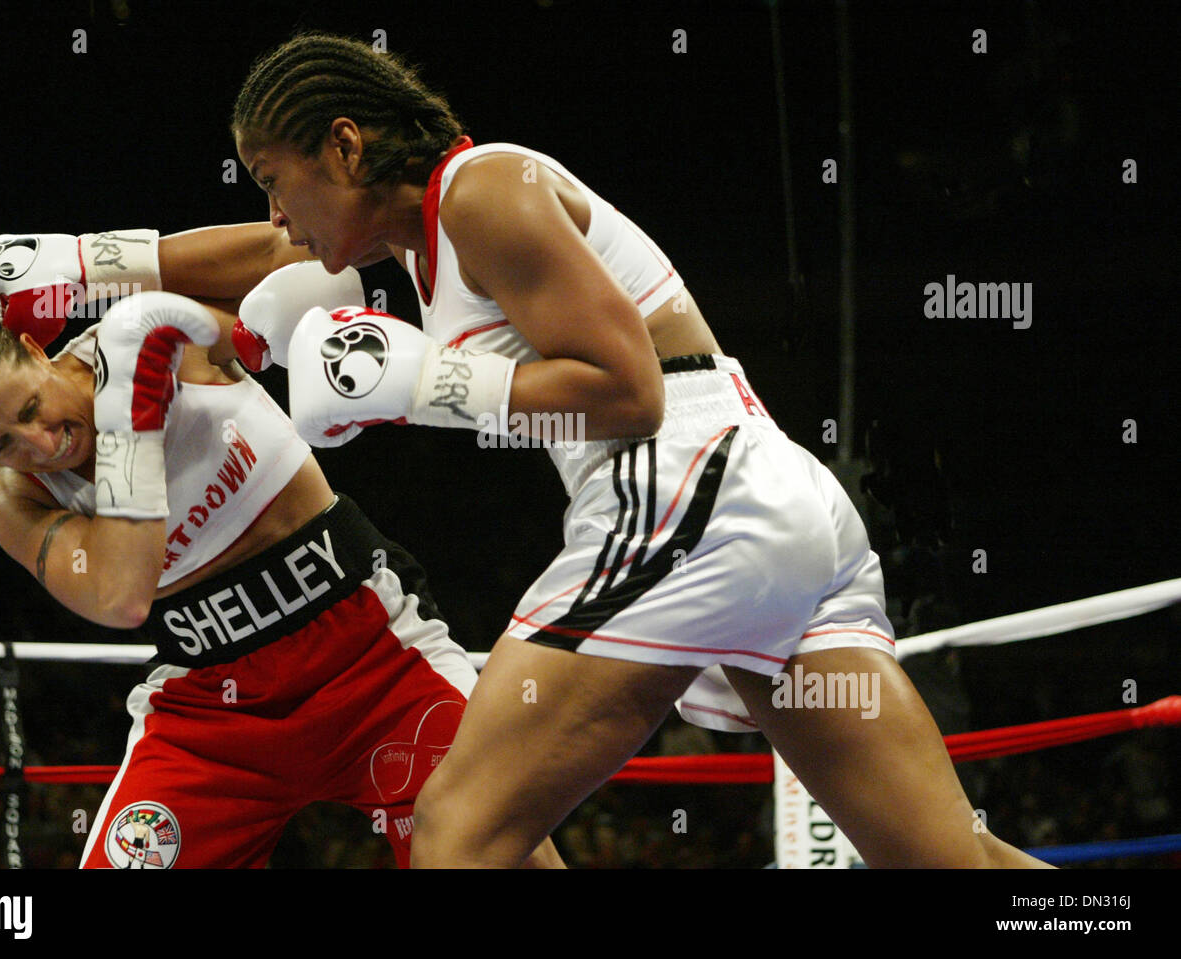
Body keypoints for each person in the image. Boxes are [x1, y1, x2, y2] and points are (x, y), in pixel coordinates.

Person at [218, 31, 1052, 868]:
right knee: (950, 862)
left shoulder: (486, 189)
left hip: (684, 487)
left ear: (345, 143)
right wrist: (92, 261)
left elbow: (629, 391)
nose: (276, 216)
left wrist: (426, 383)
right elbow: (244, 254)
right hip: (764, 502)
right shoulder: (423, 238)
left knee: (457, 829)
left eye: (272, 180)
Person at [0, 227, 562, 869]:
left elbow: (306, 256)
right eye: (0, 444)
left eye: (29, 408)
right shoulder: (17, 502)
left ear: (34, 352)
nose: (37, 444)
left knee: (499, 850)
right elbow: (121, 594)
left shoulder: (156, 334)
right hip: (212, 711)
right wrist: (129, 423)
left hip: (374, 658)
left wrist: (94, 263)